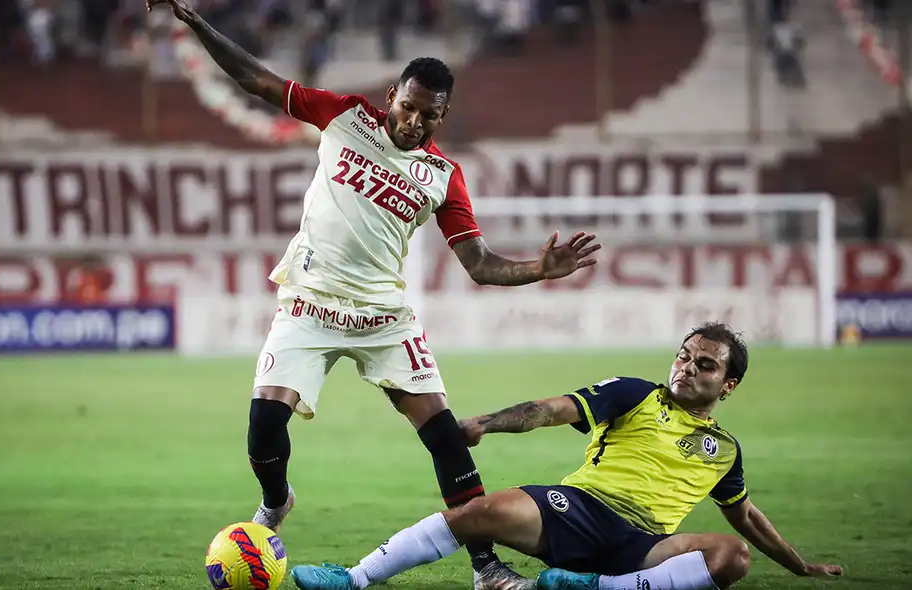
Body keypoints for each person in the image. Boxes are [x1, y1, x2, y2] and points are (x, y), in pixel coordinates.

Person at [146, 2, 602, 588]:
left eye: (428, 115)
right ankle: (277, 500)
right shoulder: (344, 118)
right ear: (392, 95)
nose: (413, 122)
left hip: (385, 318)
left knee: (445, 435)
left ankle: (487, 567)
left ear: (443, 114)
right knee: (263, 428)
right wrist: (193, 21)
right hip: (309, 305)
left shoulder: (443, 176)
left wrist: (537, 270)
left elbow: (479, 265)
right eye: (408, 107)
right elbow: (257, 81)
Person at [291, 322, 844, 590]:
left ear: (729, 385)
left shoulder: (724, 450)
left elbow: (744, 518)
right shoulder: (636, 392)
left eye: (705, 366)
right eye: (684, 356)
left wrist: (800, 564)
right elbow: (553, 410)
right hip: (576, 509)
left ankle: (595, 589)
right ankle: (356, 579)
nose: (687, 368)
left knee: (731, 558)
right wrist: (485, 422)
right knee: (476, 513)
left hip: (647, 545)